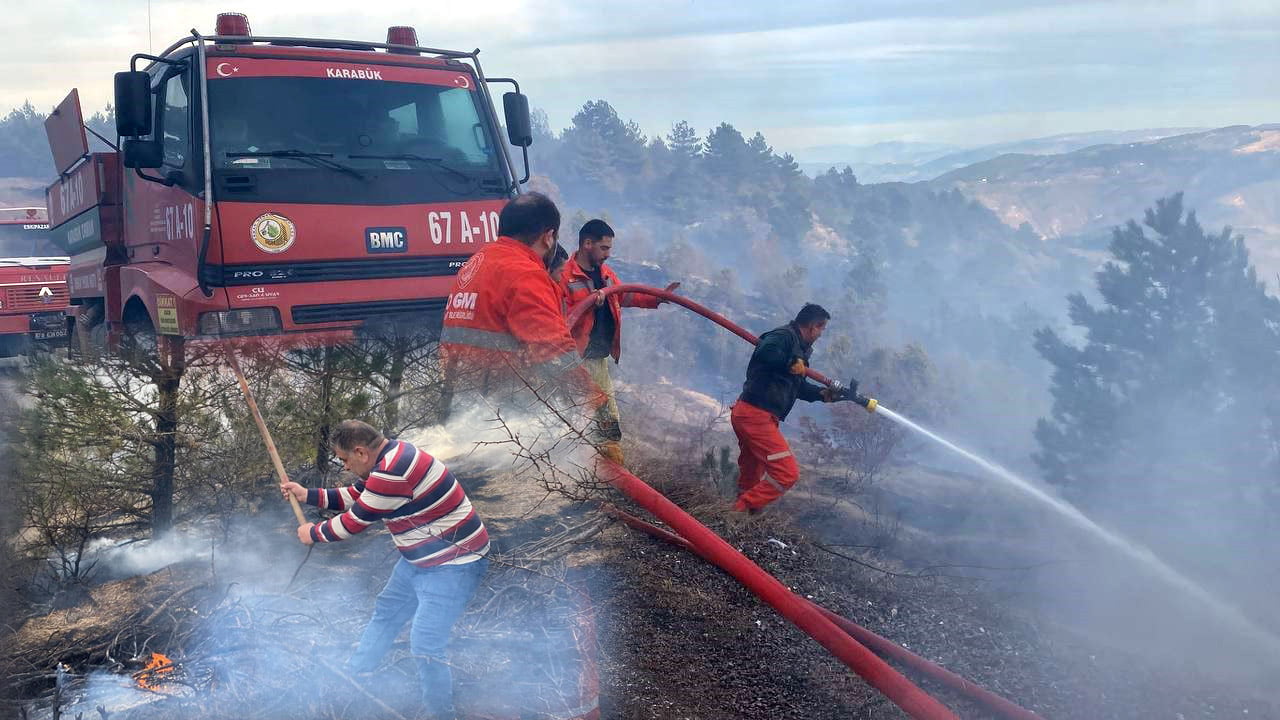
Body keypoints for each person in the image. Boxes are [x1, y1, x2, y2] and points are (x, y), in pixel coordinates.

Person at [281, 420, 489, 719]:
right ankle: (356, 674)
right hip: (422, 561)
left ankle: (440, 714)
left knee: (427, 643)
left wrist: (312, 533)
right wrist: (307, 495)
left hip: (454, 565)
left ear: (360, 452)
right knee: (387, 611)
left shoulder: (393, 471)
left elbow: (353, 521)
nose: (345, 466)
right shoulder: (391, 457)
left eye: (344, 460)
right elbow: (358, 495)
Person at [439, 193, 613, 457]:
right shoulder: (524, 273)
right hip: (503, 404)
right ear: (548, 236)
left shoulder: (477, 262)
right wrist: (594, 402)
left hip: (463, 396)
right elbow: (553, 351)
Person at [559, 219, 679, 457]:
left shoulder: (605, 274)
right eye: (604, 248)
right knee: (602, 416)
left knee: (602, 415)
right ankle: (606, 467)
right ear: (587, 243)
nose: (608, 254)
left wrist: (656, 298)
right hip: (578, 359)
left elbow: (624, 297)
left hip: (598, 358)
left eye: (609, 249)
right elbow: (559, 318)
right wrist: (589, 303)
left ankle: (602, 464)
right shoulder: (565, 276)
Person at [731, 304, 842, 513]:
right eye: (821, 329)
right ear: (812, 326)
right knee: (787, 473)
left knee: (752, 473)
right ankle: (736, 513)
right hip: (755, 416)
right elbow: (766, 351)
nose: (820, 335)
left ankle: (743, 519)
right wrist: (790, 361)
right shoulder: (784, 336)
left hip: (754, 415)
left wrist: (822, 395)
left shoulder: (799, 349)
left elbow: (795, 386)